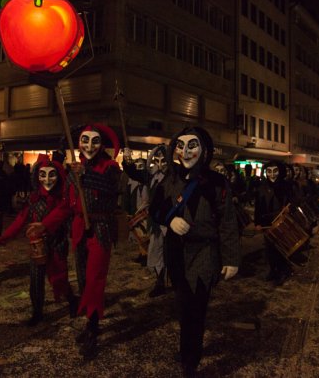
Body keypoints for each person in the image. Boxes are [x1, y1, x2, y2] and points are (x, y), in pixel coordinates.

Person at [150, 126, 239, 377]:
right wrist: (169, 221)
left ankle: (192, 359)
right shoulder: (169, 180)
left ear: (204, 149)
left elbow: (227, 221)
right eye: (181, 145)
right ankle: (186, 351)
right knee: (182, 306)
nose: (186, 151)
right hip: (177, 254)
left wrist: (232, 259)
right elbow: (154, 210)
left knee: (197, 308)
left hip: (204, 254)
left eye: (192, 145)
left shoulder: (217, 182)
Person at [0, 154, 78, 325]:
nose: (47, 179)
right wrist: (5, 237)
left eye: (51, 174)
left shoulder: (63, 199)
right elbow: (21, 219)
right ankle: (37, 312)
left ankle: (72, 301)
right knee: (35, 279)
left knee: (59, 277)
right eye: (43, 174)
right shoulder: (34, 199)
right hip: (37, 246)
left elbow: (66, 214)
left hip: (57, 243)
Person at [68, 123, 121, 359]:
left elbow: (112, 188)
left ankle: (92, 326)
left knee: (95, 278)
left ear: (102, 144)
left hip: (100, 228)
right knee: (82, 277)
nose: (89, 146)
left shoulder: (110, 167)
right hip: (79, 228)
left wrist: (86, 175)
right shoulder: (74, 168)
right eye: (85, 140)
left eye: (94, 141)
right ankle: (91, 320)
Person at [123, 144, 169, 297]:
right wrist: (128, 160)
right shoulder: (150, 176)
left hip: (172, 222)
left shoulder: (175, 176)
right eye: (157, 161)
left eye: (164, 161)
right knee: (155, 252)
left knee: (171, 254)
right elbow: (134, 173)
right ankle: (160, 281)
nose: (160, 164)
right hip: (156, 222)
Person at [254, 160, 293, 285]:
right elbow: (258, 207)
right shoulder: (262, 187)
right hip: (267, 222)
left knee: (280, 248)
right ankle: (273, 270)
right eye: (269, 171)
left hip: (281, 222)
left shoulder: (286, 186)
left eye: (275, 171)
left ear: (280, 171)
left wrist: (289, 207)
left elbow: (294, 201)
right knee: (269, 249)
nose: (272, 174)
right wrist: (257, 223)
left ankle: (283, 271)